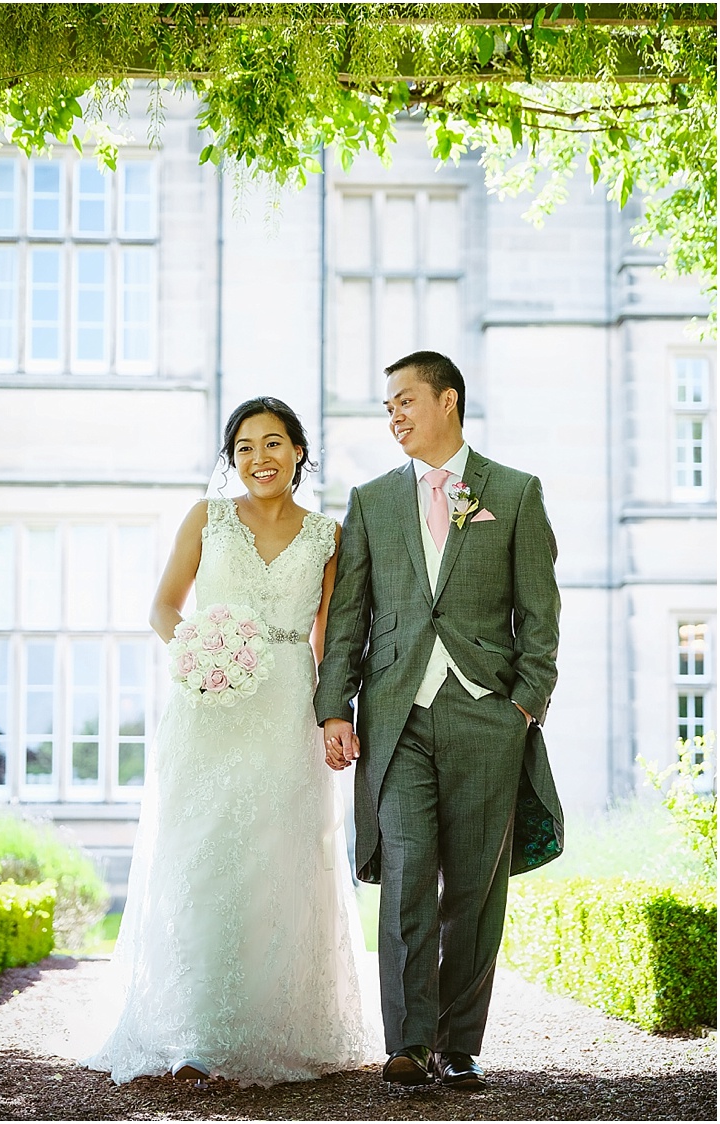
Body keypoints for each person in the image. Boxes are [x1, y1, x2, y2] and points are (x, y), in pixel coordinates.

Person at [83, 397, 381, 1087]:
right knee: (205, 855)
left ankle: (273, 1028)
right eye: (244, 448)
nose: (259, 459)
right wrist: (197, 654)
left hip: (285, 710)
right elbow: (162, 607)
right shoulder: (207, 519)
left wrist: (335, 714)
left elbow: (331, 641)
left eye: (273, 444)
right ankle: (194, 1032)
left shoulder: (326, 537)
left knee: (279, 858)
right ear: (231, 458)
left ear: (299, 452)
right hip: (206, 707)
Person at [315, 351, 563, 1091]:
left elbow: (541, 616)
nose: (393, 417)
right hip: (396, 718)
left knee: (475, 891)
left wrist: (525, 703)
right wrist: (334, 706)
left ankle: (459, 1044)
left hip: (488, 713)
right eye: (387, 407)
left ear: (446, 401)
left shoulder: (514, 493)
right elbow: (351, 616)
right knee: (408, 871)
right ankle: (409, 1041)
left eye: (404, 402)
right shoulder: (370, 501)